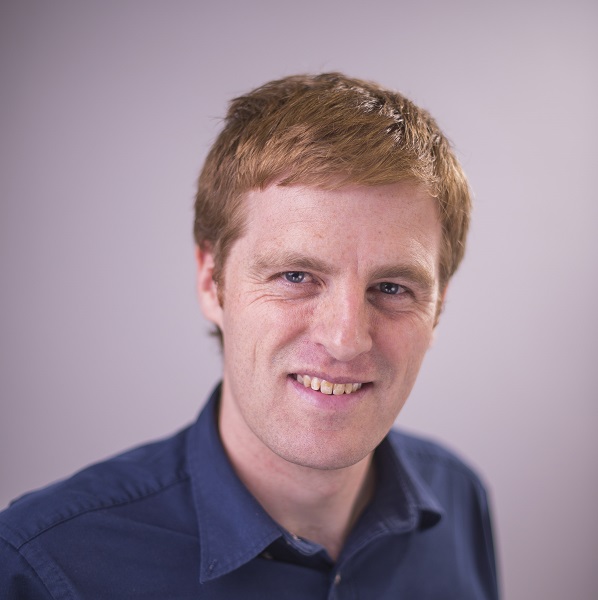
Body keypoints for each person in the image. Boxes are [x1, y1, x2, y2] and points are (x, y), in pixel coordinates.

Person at [0, 73, 499, 599]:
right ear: (210, 282)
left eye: (392, 288)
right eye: (295, 276)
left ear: (438, 308)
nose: (345, 338)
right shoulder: (43, 567)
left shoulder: (459, 499)